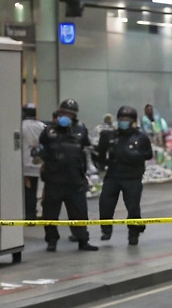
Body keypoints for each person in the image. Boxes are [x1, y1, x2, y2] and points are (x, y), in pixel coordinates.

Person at [35, 99, 98, 253]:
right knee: (50, 214)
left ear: (74, 116)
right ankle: (51, 241)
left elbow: (86, 151)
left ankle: (83, 240)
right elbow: (41, 147)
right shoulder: (50, 131)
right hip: (53, 180)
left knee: (79, 213)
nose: (65, 116)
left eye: (69, 114)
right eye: (63, 113)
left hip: (74, 180)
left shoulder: (80, 130)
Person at [94, 106, 153, 245]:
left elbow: (148, 154)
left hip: (132, 177)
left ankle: (133, 233)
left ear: (133, 121)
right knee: (105, 204)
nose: (123, 122)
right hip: (113, 175)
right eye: (121, 119)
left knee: (133, 207)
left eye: (126, 119)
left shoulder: (141, 136)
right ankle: (106, 230)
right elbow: (101, 154)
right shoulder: (112, 136)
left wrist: (132, 155)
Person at [20, 104, 44, 220]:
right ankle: (37, 211)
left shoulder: (21, 126)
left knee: (28, 189)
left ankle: (29, 214)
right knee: (39, 189)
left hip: (24, 163)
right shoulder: (42, 126)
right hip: (39, 163)